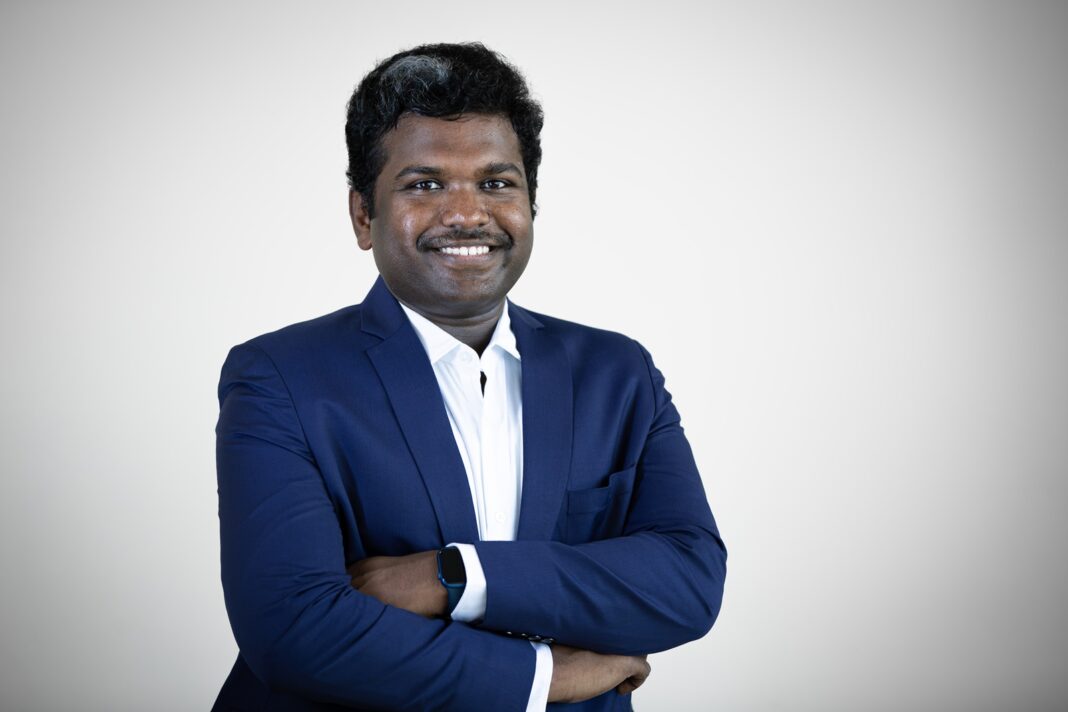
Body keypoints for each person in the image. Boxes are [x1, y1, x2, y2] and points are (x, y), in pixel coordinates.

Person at [213, 42, 726, 711]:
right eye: (425, 184)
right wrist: (545, 678)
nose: (465, 214)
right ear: (363, 215)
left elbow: (688, 583)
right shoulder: (279, 378)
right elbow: (295, 629)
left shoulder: (617, 373)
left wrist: (453, 575)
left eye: (496, 183)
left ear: (531, 204)